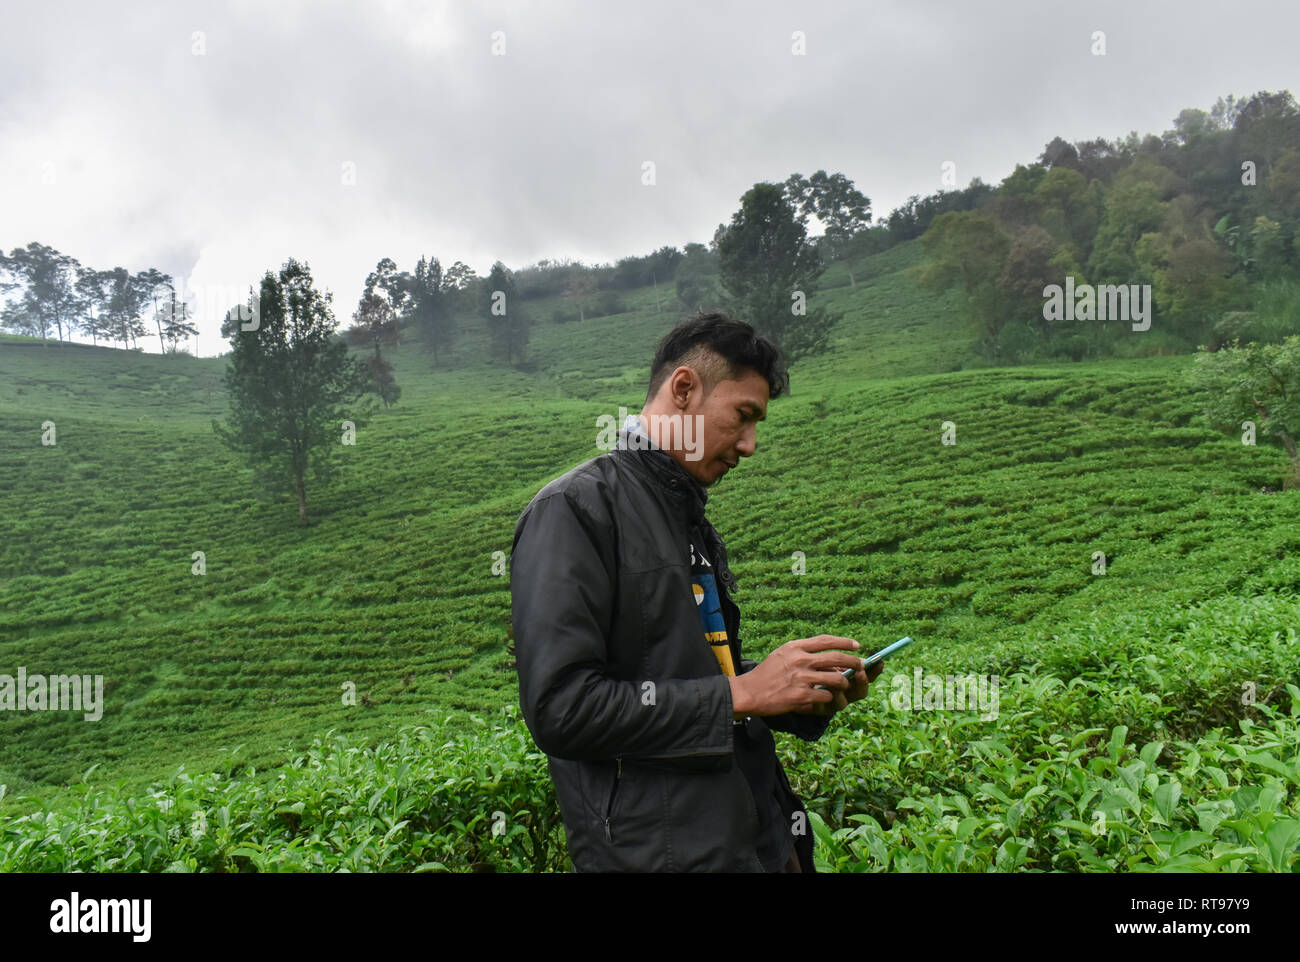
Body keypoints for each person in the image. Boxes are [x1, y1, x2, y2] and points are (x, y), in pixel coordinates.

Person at [509, 311, 883, 872]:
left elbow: (680, 673)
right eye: (743, 416)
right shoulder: (575, 510)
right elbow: (562, 709)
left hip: (757, 838)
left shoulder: (686, 515)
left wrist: (796, 692)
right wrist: (743, 694)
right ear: (684, 388)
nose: (751, 445)